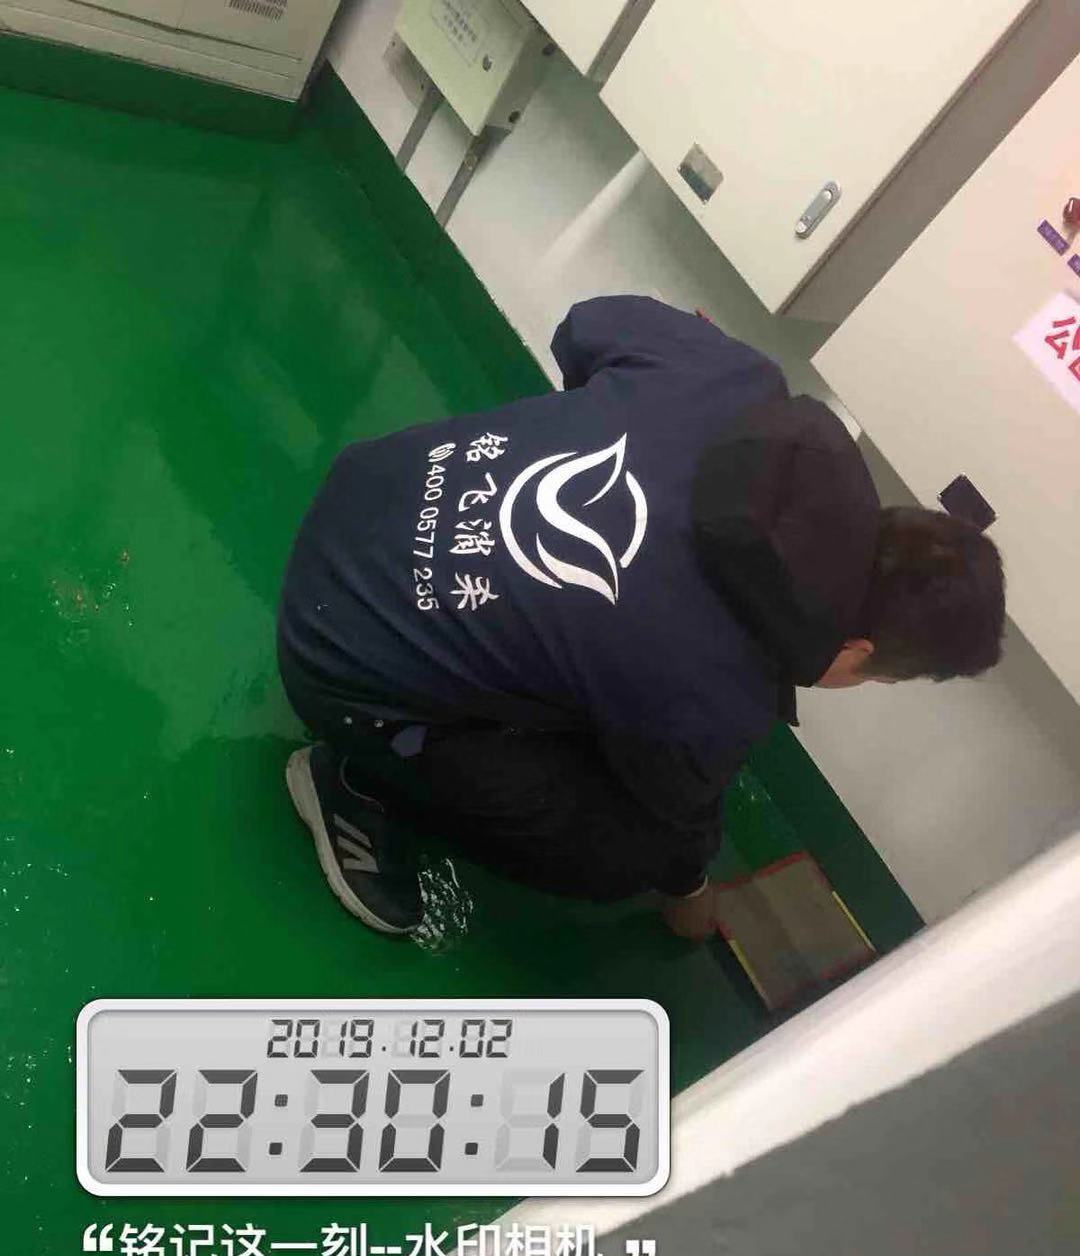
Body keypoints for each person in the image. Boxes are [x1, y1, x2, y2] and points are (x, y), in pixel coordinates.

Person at [277, 296, 1004, 941]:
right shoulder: (721, 696)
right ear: (859, 651)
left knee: (592, 672)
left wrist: (597, 432)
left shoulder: (739, 379)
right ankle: (360, 780)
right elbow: (676, 831)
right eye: (874, 677)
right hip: (333, 656)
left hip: (365, 490)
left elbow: (586, 325)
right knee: (626, 850)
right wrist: (689, 892)